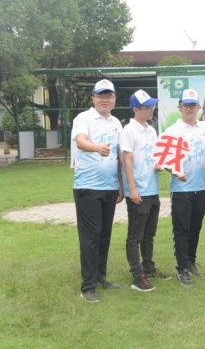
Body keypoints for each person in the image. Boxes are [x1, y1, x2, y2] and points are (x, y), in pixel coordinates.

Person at [71, 79, 124, 302]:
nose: (105, 99)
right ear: (93, 98)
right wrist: (97, 148)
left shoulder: (116, 123)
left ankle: (101, 277)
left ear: (114, 99)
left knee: (104, 236)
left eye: (109, 95)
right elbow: (81, 142)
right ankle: (88, 287)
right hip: (88, 187)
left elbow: (119, 156)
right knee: (90, 237)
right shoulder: (84, 118)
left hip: (110, 188)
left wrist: (120, 185)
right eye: (100, 95)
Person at [164, 89, 205, 286]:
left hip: (201, 187)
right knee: (182, 230)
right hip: (181, 189)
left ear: (198, 107)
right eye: (185, 105)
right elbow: (165, 160)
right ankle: (181, 268)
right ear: (179, 107)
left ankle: (191, 262)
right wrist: (175, 171)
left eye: (193, 105)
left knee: (195, 228)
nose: (189, 109)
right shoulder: (172, 131)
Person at [121, 90, 170, 293]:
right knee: (136, 236)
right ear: (135, 109)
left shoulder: (151, 130)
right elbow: (127, 160)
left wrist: (159, 165)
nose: (151, 110)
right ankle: (137, 276)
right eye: (146, 107)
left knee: (149, 233)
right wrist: (132, 188)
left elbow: (153, 155)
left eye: (152, 107)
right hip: (138, 191)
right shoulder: (129, 131)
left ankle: (148, 268)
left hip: (152, 189)